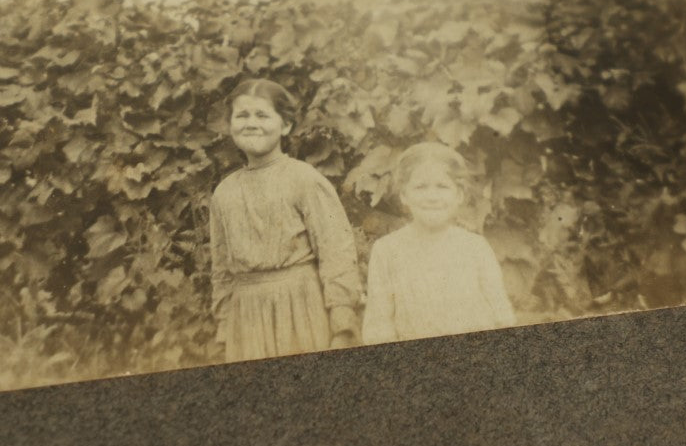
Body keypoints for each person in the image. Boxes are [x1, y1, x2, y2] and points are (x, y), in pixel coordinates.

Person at [209, 79, 361, 362]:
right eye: (242, 116)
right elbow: (221, 267)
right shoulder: (224, 192)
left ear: (286, 126)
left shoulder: (303, 179)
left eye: (262, 115)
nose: (251, 123)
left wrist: (342, 321)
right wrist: (224, 327)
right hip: (247, 317)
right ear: (230, 125)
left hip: (300, 307)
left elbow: (335, 250)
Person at [362, 142, 517, 344]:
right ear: (404, 196)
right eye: (420, 187)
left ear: (459, 195)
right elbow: (379, 326)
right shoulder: (387, 251)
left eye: (442, 187)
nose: (432, 197)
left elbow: (503, 316)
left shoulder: (476, 248)